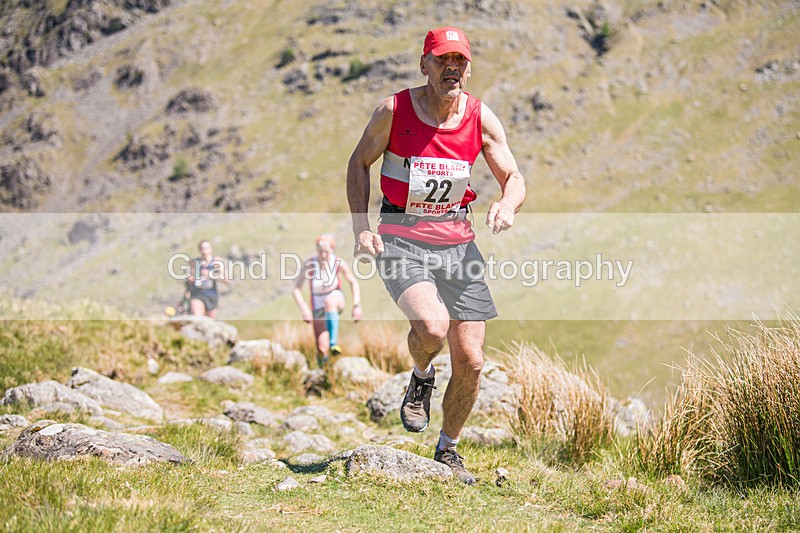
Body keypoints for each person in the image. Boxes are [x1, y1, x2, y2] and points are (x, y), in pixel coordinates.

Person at [346, 26, 526, 484]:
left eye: (460, 61)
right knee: (431, 327)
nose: (452, 68)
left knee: (472, 358)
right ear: (424, 64)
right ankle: (421, 373)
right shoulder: (394, 110)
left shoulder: (481, 118)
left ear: (469, 67)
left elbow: (514, 176)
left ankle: (448, 448)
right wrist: (360, 229)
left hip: (459, 244)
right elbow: (358, 162)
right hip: (401, 237)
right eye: (442, 59)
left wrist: (507, 203)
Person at [292, 234, 362, 366]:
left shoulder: (338, 262)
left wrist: (356, 305)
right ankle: (324, 371)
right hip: (317, 306)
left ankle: (333, 343)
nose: (323, 255)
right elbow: (296, 289)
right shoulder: (310, 264)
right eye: (320, 251)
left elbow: (353, 282)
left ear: (332, 250)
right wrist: (305, 309)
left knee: (329, 301)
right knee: (321, 347)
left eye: (326, 251)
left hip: (336, 299)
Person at [187, 240, 229, 319]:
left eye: (206, 248)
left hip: (211, 295)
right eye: (202, 249)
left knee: (210, 322)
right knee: (198, 319)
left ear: (211, 249)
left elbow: (226, 279)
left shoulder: (217, 261)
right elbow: (189, 281)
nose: (204, 251)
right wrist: (191, 278)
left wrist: (210, 274)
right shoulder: (194, 262)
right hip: (197, 294)